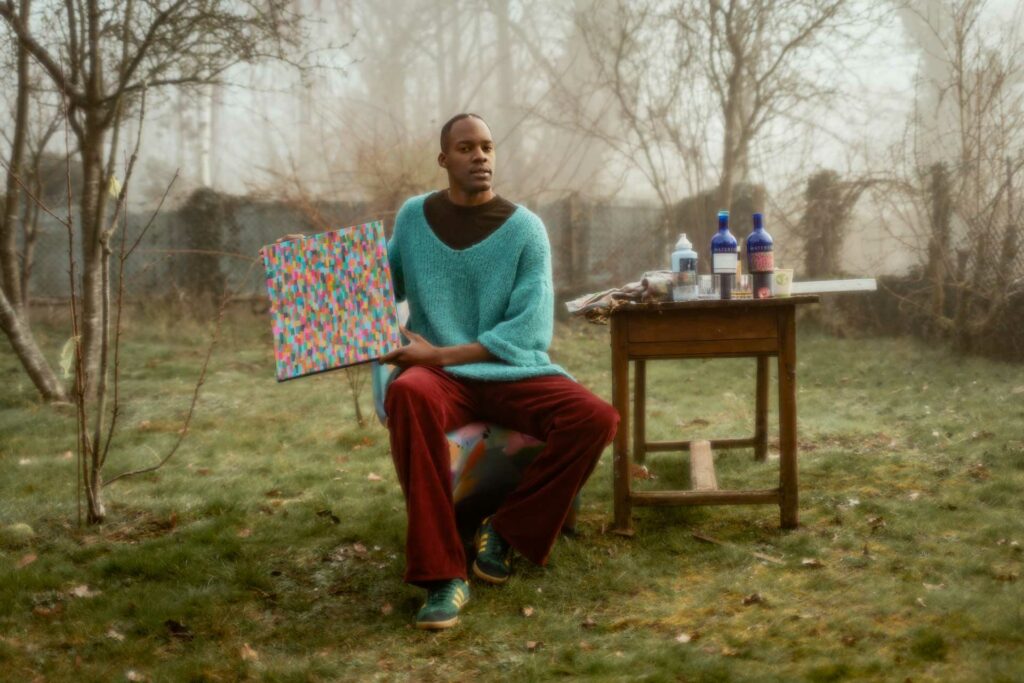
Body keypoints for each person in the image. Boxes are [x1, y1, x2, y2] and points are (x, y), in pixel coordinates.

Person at [380, 113, 619, 630]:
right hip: (441, 381)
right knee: (407, 394)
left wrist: (439, 355)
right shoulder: (414, 218)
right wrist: (321, 269)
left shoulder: (526, 229)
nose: (480, 156)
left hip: (507, 369)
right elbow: (379, 284)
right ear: (444, 159)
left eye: (487, 147)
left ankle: (507, 530)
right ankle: (442, 576)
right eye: (466, 148)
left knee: (596, 418)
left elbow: (529, 331)